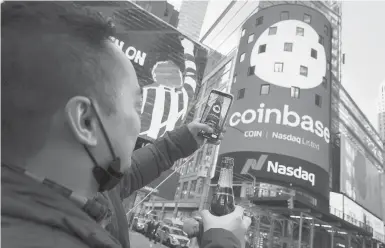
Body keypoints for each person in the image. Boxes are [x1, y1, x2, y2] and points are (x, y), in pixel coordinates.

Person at [1, 2, 251, 248]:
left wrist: (182, 140)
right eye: (136, 105)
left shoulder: (83, 187)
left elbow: (128, 177)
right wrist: (224, 242)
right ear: (85, 121)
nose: (139, 121)